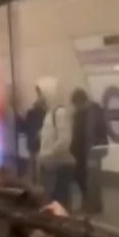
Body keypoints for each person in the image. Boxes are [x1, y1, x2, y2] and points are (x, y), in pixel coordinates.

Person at [37, 76, 73, 208]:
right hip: (50, 164)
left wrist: (49, 153)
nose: (39, 98)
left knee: (57, 198)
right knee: (51, 196)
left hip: (56, 165)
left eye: (40, 94)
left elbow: (64, 139)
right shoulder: (50, 112)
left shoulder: (60, 113)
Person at [71, 88, 108, 214]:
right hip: (80, 152)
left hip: (92, 150)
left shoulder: (95, 111)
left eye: (77, 105)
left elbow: (100, 131)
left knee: (93, 179)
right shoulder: (78, 114)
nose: (76, 107)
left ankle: (95, 206)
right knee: (82, 178)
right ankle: (87, 203)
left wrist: (97, 148)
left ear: (82, 101)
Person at [23, 84, 47, 183]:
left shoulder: (31, 113)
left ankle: (35, 182)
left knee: (34, 166)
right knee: (37, 166)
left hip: (33, 142)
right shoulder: (44, 113)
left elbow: (26, 127)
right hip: (38, 142)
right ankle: (38, 182)